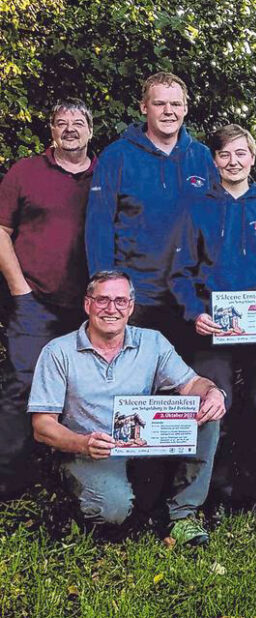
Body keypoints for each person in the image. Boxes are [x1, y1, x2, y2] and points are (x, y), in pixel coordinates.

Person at [27, 271, 226, 546]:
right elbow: (42, 426)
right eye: (103, 300)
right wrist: (83, 443)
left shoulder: (152, 341)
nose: (112, 309)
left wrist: (213, 392)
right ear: (88, 304)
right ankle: (105, 500)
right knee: (113, 512)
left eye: (120, 301)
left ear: (131, 307)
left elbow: (192, 383)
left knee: (208, 410)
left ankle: (182, 515)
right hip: (90, 450)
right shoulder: (58, 352)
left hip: (141, 445)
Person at [169, 125, 256, 514]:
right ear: (214, 161)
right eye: (225, 154)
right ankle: (218, 496)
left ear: (251, 158)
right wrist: (195, 313)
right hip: (214, 330)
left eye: (241, 153)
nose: (233, 161)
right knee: (215, 409)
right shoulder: (198, 208)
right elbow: (179, 274)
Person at [0, 99, 96, 499]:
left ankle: (72, 477)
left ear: (91, 130)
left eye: (78, 123)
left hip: (91, 308)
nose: (70, 129)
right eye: (62, 123)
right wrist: (19, 288)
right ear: (51, 131)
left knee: (84, 393)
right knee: (21, 386)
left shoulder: (108, 173)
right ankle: (9, 484)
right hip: (34, 300)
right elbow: (1, 231)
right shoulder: (25, 172)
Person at [85, 72, 217, 348]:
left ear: (185, 108)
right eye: (159, 104)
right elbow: (99, 229)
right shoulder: (117, 156)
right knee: (135, 387)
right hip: (137, 298)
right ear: (144, 108)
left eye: (175, 104)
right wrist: (107, 294)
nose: (169, 111)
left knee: (188, 387)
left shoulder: (202, 156)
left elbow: (217, 227)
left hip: (190, 298)